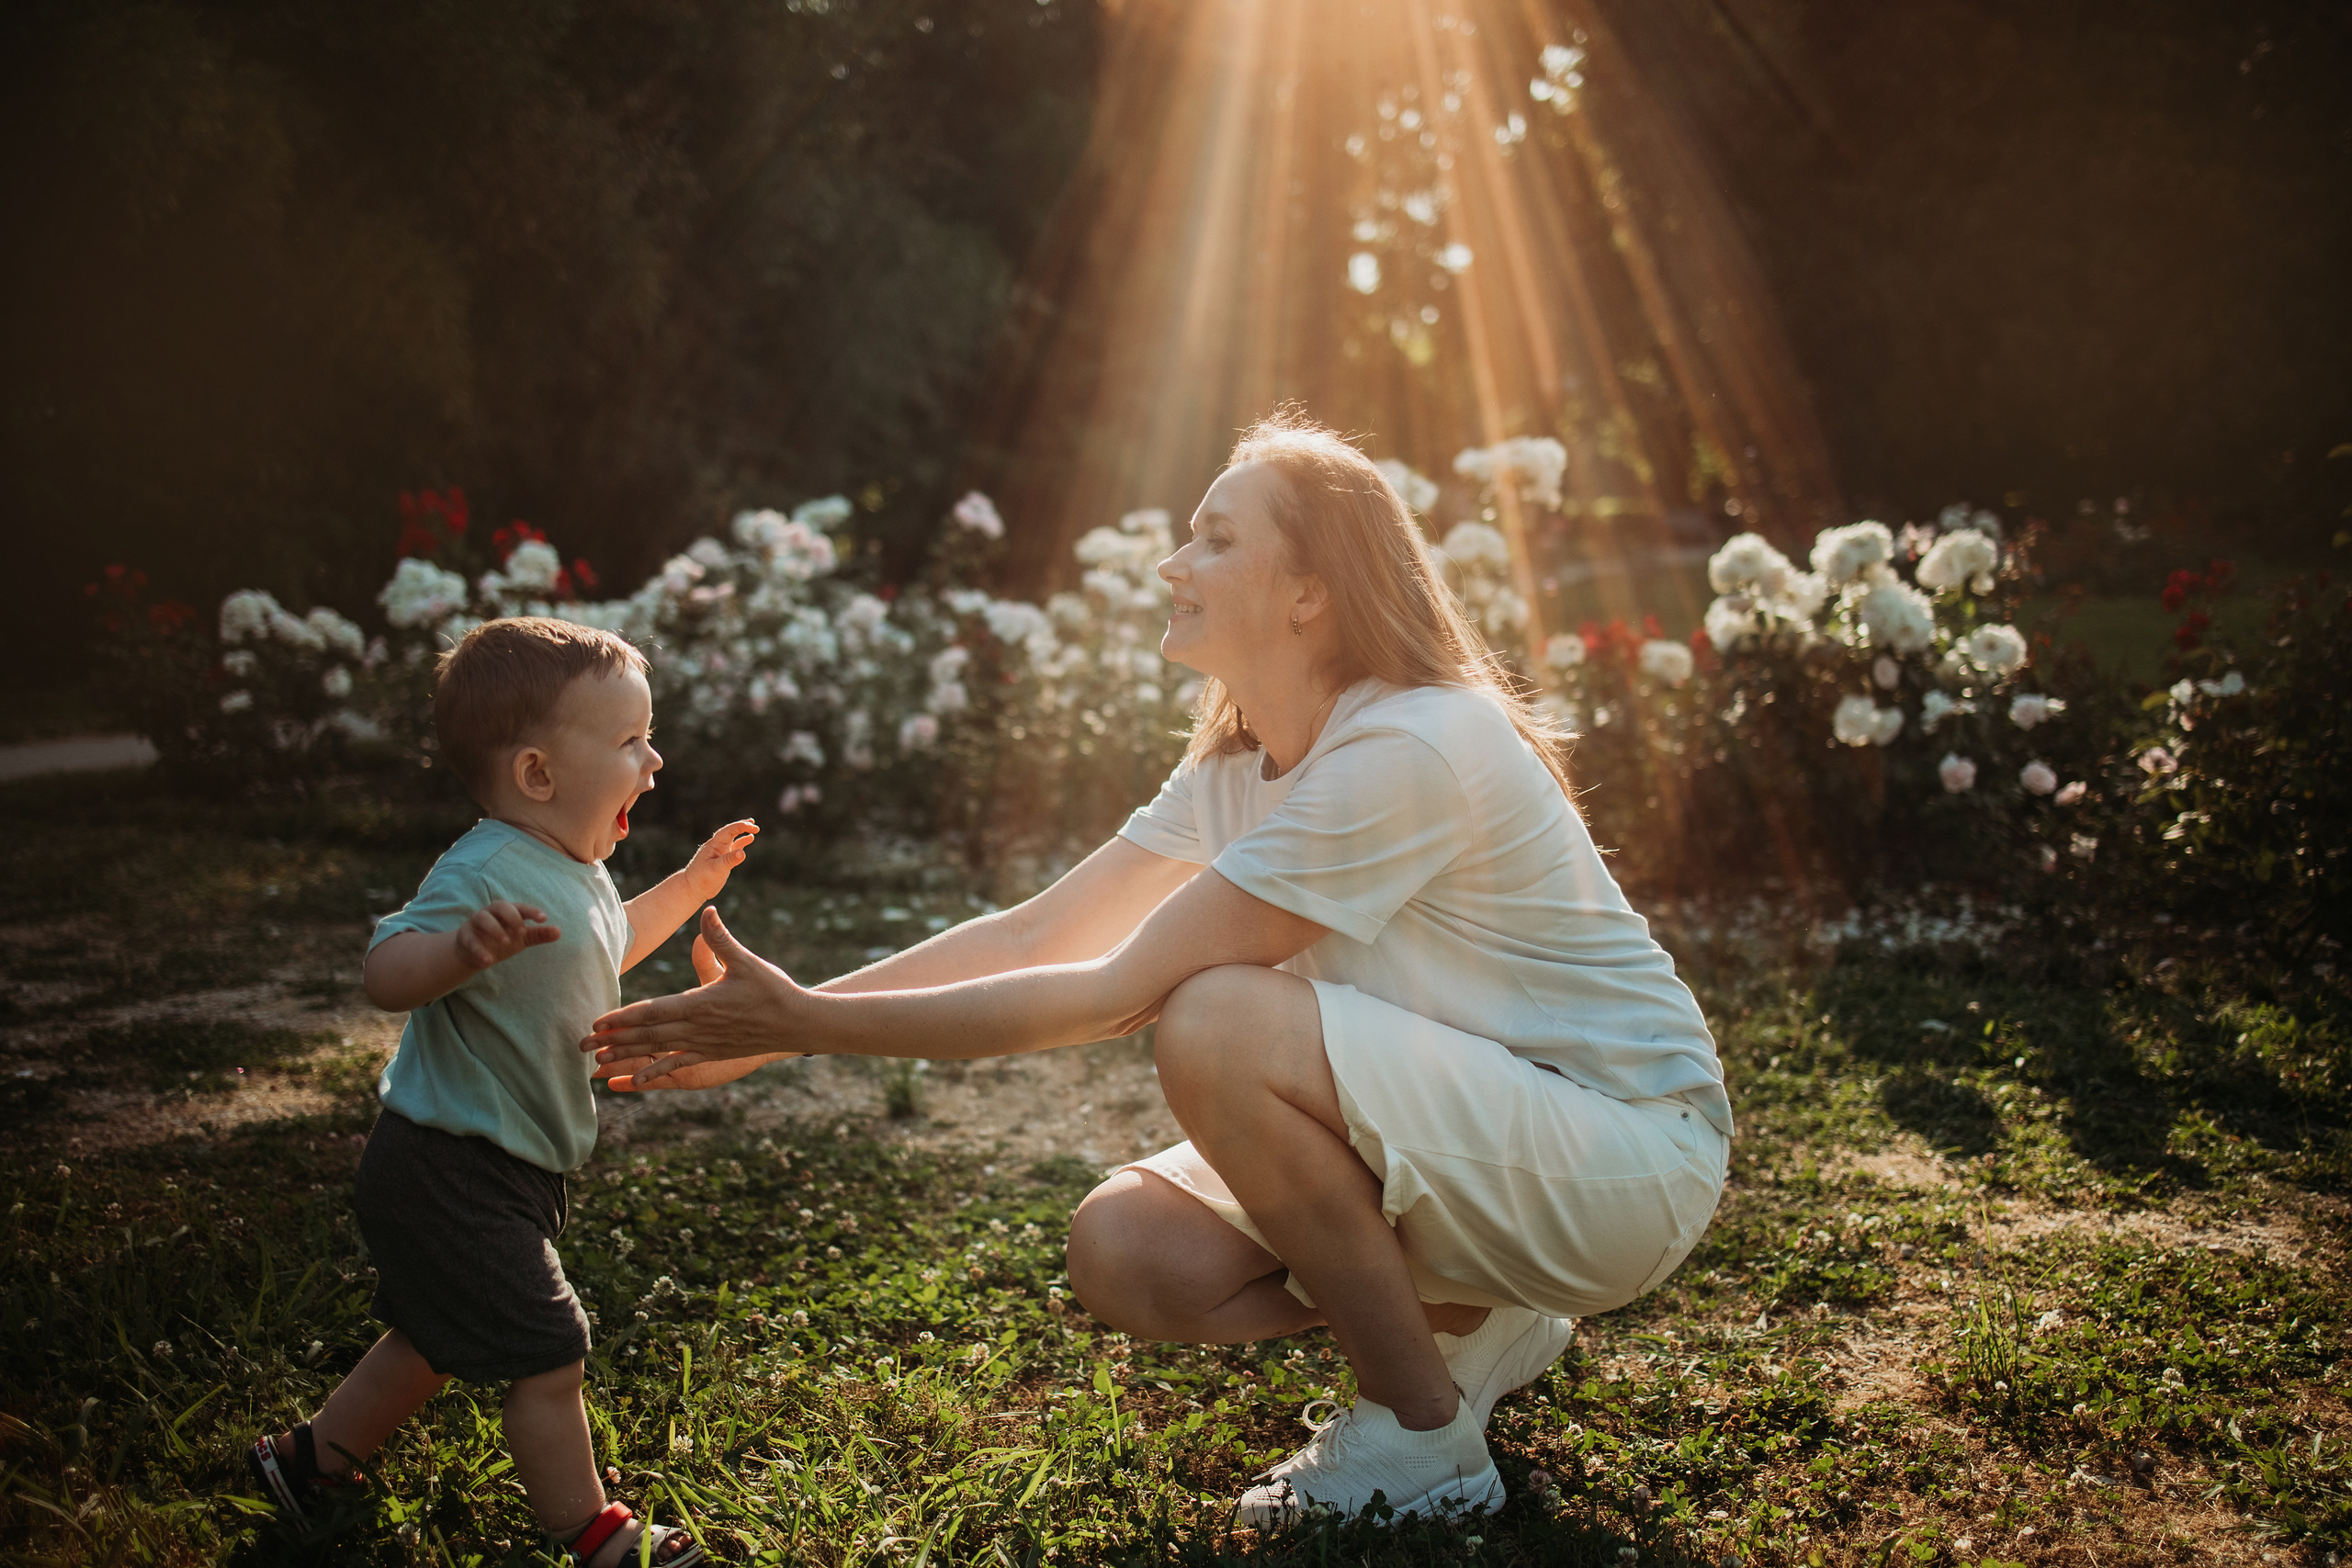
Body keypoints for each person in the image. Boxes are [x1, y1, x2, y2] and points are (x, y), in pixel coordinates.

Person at [582, 414, 1732, 1526]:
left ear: (1310, 592)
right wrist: (779, 1028)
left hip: (1625, 1157)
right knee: (1128, 1252)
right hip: (1478, 1133)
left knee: (1216, 1020)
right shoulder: (1236, 766)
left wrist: (803, 1024)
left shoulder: (1413, 743)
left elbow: (1113, 992)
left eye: (1216, 538)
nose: (1174, 564)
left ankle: (1424, 1440)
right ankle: (1480, 1317)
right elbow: (1034, 937)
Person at [246, 617, 757, 1567]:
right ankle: (591, 1530)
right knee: (550, 1350)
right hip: (449, 1167)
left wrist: (692, 885)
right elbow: (385, 969)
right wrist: (458, 951)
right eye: (629, 741)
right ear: (537, 775)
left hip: (505, 1165)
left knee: (432, 1336)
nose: (653, 761)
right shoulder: (483, 870)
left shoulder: (575, 872)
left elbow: (607, 946)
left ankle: (309, 1460)